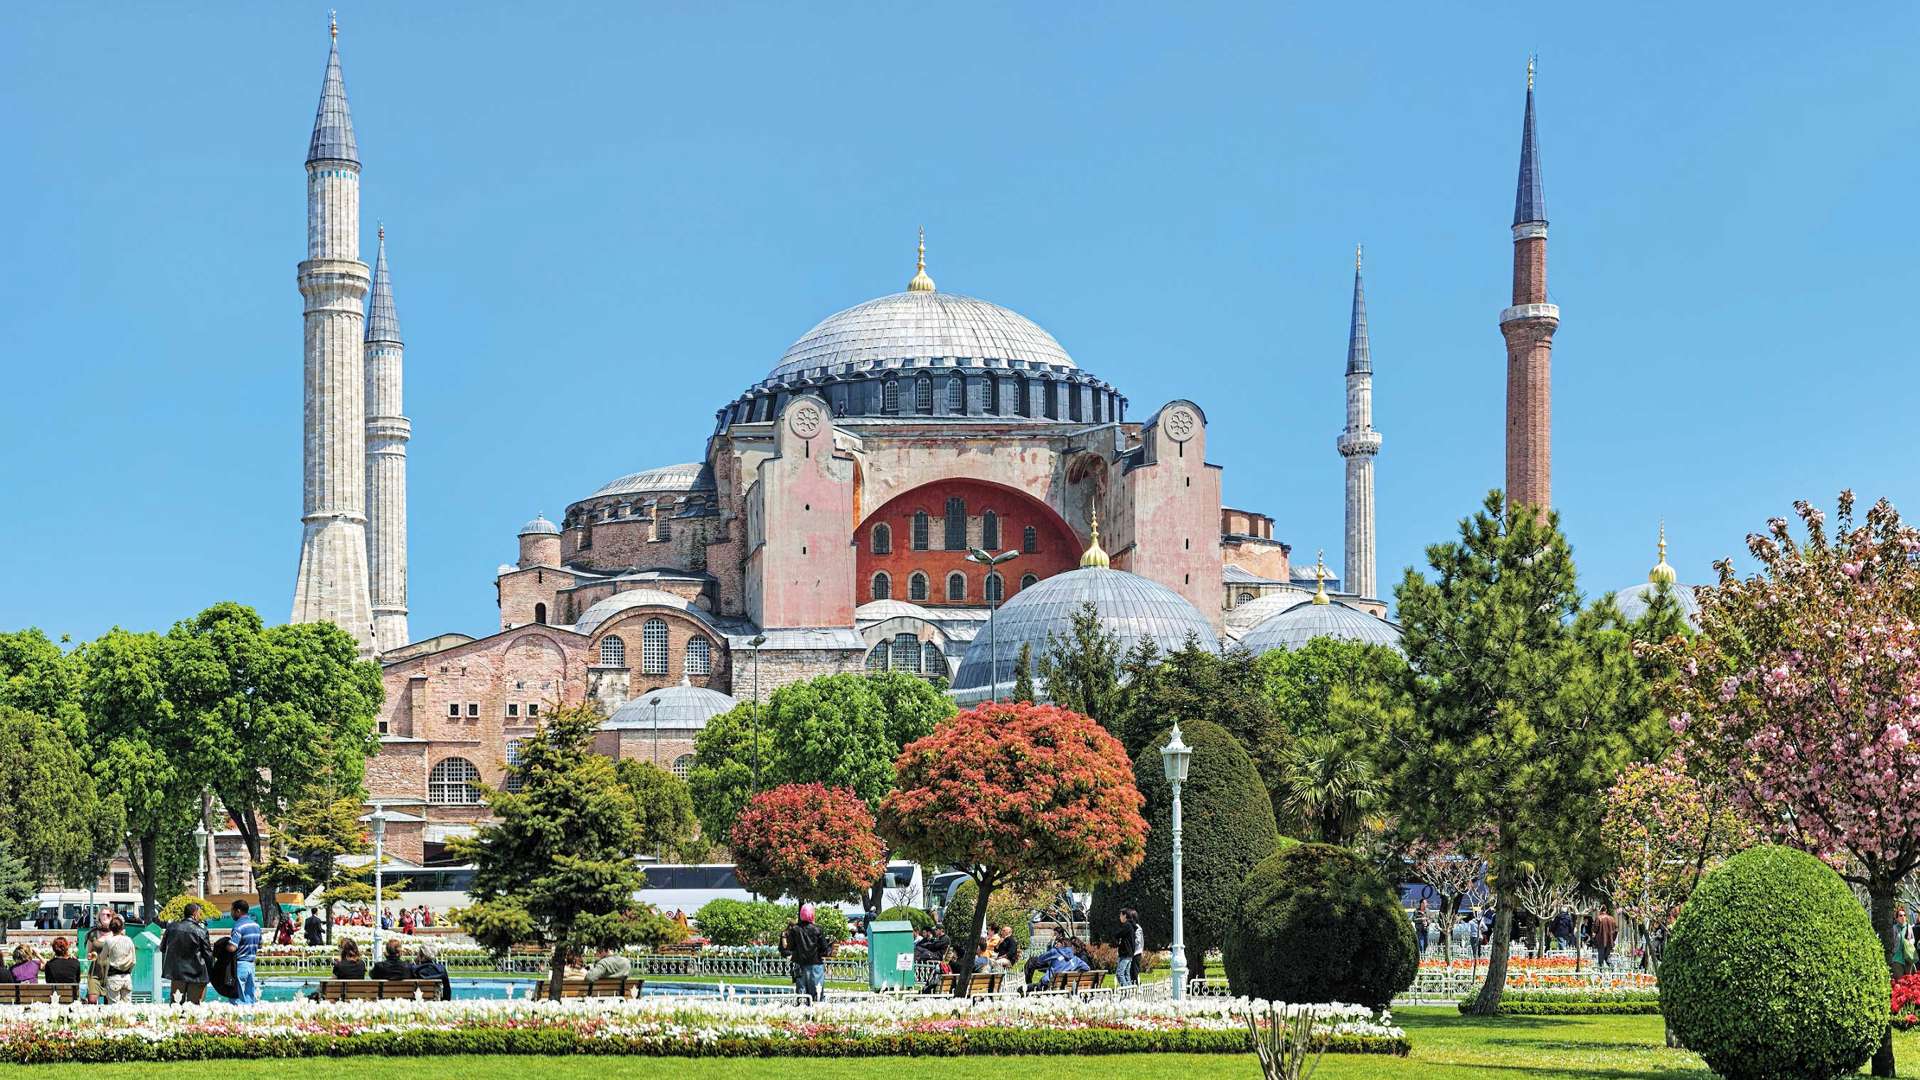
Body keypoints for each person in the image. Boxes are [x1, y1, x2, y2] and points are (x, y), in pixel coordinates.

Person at [160, 903, 214, 1004]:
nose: (200, 916)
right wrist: (211, 973)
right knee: (193, 1007)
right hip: (196, 975)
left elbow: (162, 948)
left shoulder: (171, 928)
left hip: (176, 973)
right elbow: (208, 955)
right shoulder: (201, 931)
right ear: (194, 914)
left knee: (176, 1005)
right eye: (199, 913)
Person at [786, 903, 830, 1002]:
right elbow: (824, 948)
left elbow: (790, 947)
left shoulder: (795, 930)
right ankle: (816, 1015)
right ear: (812, 914)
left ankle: (802, 1014)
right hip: (816, 965)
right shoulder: (817, 929)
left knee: (802, 995)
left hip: (800, 965)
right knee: (817, 994)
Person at [95, 915, 137, 1004]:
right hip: (127, 977)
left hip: (113, 977)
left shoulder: (109, 941)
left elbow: (102, 958)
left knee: (114, 1009)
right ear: (122, 927)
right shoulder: (129, 940)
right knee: (127, 1008)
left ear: (111, 928)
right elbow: (134, 961)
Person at [227, 900, 262, 1004]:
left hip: (240, 965)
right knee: (249, 997)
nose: (231, 913)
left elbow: (232, 947)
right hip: (251, 965)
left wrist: (225, 945)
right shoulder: (256, 926)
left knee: (237, 997)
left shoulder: (238, 926)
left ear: (237, 911)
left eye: (232, 911)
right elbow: (260, 945)